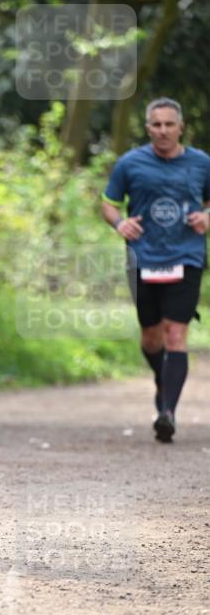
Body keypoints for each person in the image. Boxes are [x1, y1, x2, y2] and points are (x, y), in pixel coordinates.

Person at [102, 97, 210, 442]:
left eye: (169, 124)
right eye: (156, 125)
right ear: (148, 128)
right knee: (151, 337)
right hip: (143, 257)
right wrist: (119, 223)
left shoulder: (202, 163)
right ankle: (164, 379)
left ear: (181, 127)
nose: (163, 131)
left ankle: (168, 412)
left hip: (187, 255)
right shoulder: (130, 164)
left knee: (175, 334)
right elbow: (109, 203)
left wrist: (207, 216)